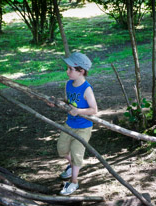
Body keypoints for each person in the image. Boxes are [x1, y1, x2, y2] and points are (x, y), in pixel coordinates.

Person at [56, 52, 98, 196]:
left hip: (83, 127)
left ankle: (74, 182)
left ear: (81, 71)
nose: (67, 72)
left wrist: (78, 111)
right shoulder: (68, 84)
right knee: (61, 149)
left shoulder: (86, 89)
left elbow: (94, 110)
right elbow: (67, 102)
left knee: (77, 154)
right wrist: (57, 103)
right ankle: (72, 165)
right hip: (70, 124)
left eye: (70, 69)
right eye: (67, 68)